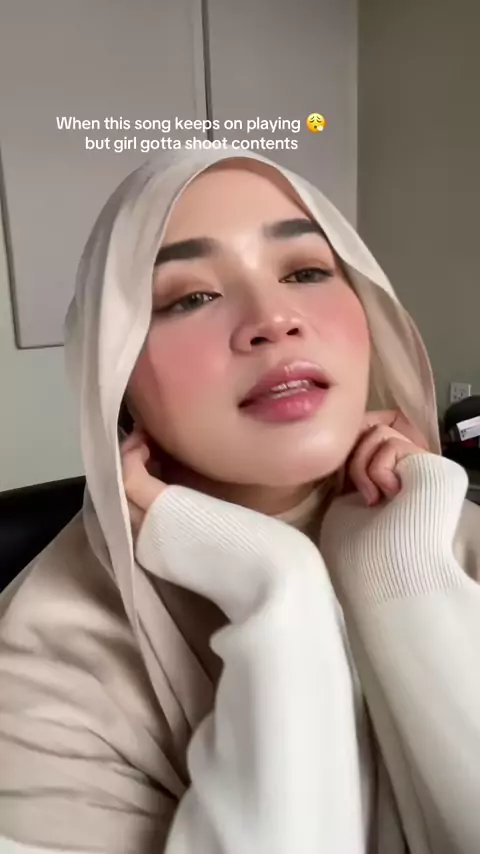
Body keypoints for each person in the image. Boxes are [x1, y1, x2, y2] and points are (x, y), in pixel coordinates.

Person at [0, 148, 479, 854]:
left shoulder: (445, 528)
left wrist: (404, 579)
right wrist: (277, 594)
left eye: (306, 271)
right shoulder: (42, 674)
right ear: (113, 373)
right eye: (189, 297)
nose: (274, 319)